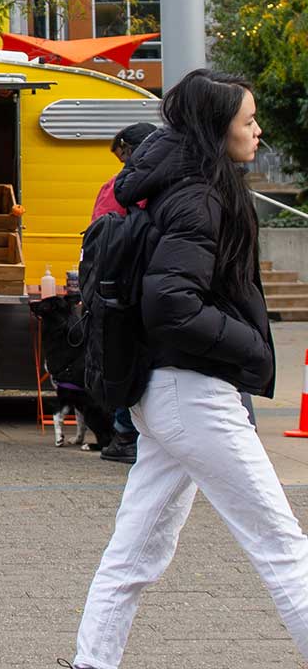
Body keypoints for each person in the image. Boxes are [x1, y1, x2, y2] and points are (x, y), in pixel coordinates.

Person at [65, 69, 308, 669]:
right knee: (282, 546)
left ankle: (92, 662)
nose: (257, 130)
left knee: (136, 550)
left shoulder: (178, 186)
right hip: (194, 395)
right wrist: (251, 348)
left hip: (166, 394)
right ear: (215, 128)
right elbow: (172, 304)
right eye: (247, 121)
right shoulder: (202, 196)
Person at [90, 122, 157, 465]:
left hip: (116, 288)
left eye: (122, 155)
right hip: (137, 287)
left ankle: (125, 433)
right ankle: (128, 432)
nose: (122, 164)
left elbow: (98, 234)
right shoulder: (156, 185)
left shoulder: (117, 188)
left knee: (122, 357)